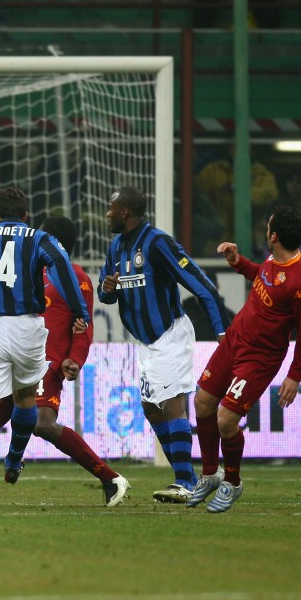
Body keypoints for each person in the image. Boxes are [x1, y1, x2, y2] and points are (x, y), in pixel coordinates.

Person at [0, 193, 91, 512]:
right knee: (25, 400)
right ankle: (13, 460)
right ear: (26, 214)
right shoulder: (40, 238)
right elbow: (63, 269)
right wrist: (80, 313)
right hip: (29, 328)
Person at [99, 185, 226, 503]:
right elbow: (105, 295)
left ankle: (184, 481)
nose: (107, 213)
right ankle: (189, 477)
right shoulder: (116, 247)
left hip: (171, 335)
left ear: (125, 212)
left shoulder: (158, 243)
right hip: (144, 343)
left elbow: (204, 287)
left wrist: (223, 335)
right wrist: (107, 288)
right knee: (150, 409)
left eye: (111, 208)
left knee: (172, 404)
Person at [188, 206, 301, 512]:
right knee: (202, 402)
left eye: (268, 226)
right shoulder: (274, 260)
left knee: (226, 419)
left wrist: (295, 375)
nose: (265, 229)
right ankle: (209, 475)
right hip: (235, 339)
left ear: (274, 236)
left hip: (260, 358)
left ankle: (232, 483)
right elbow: (262, 277)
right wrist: (238, 263)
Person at [194, 145, 278, 255]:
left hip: (251, 242)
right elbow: (193, 190)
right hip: (218, 241)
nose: (237, 150)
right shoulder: (214, 171)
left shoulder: (261, 174)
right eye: (234, 146)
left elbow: (270, 194)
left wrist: (239, 189)